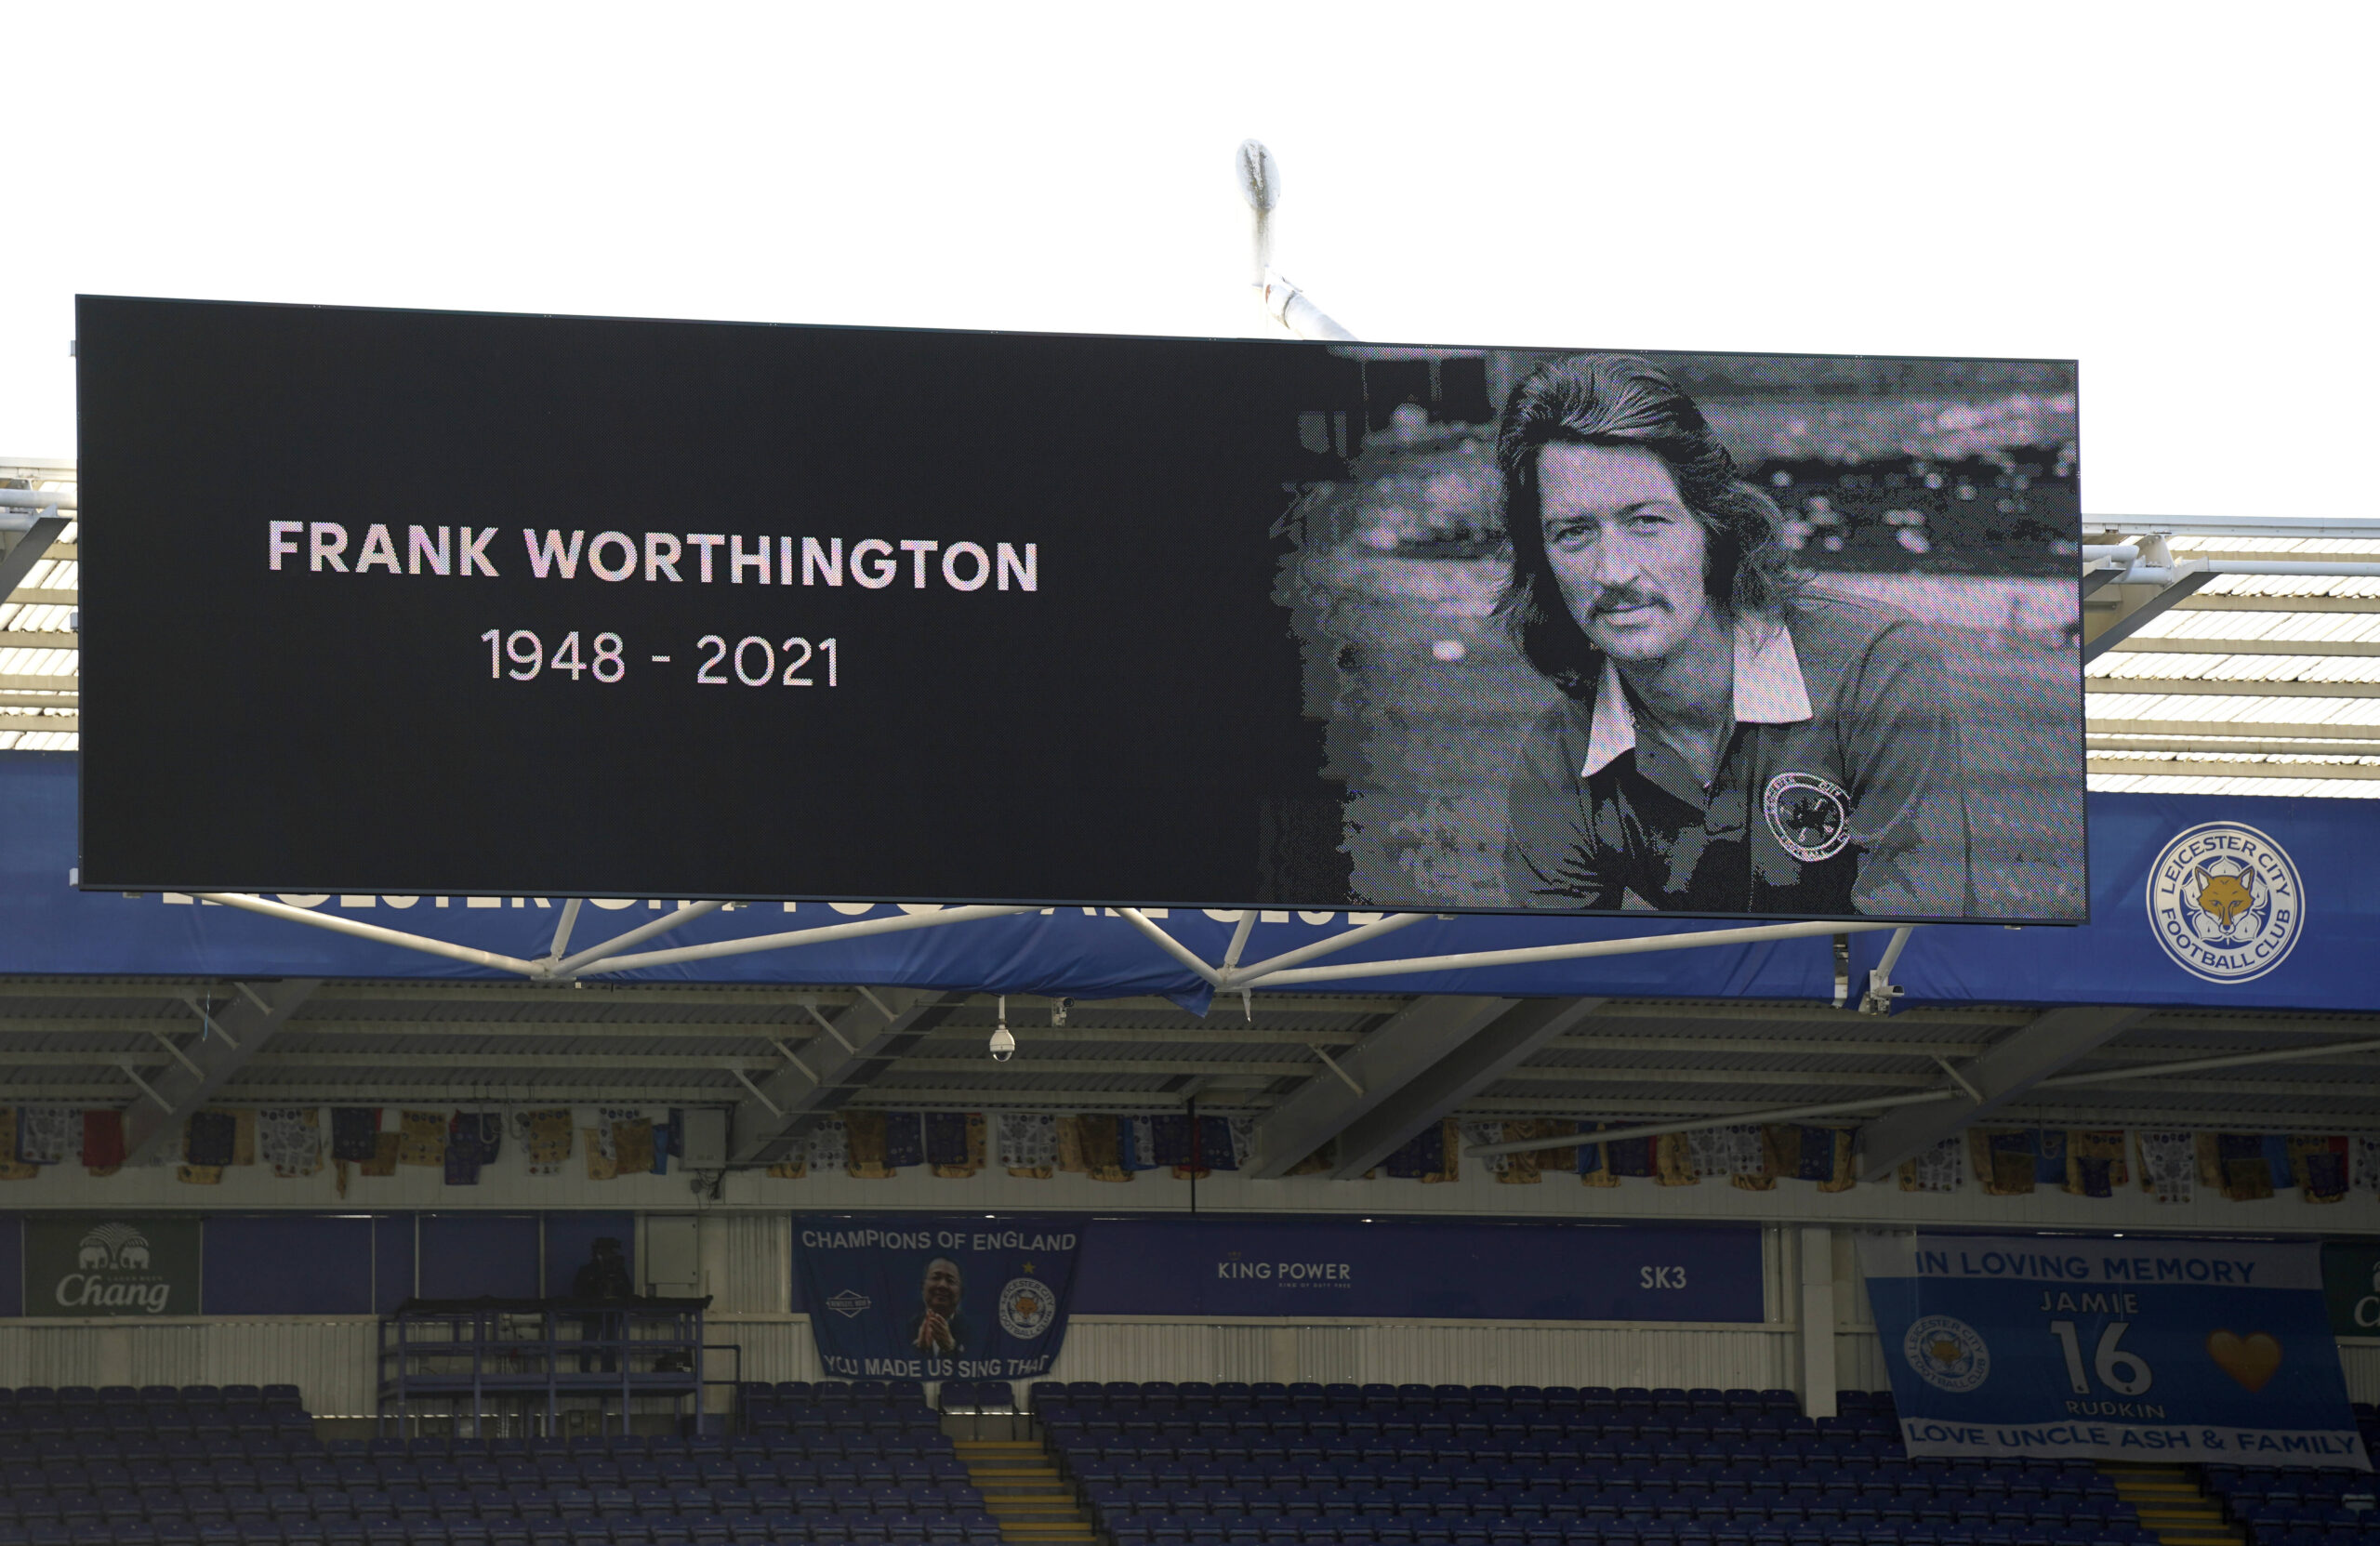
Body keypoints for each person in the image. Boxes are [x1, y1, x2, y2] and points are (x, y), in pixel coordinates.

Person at [1497, 352, 1971, 916]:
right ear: (1542, 560)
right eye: (1573, 533)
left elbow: (1912, 946)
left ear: (1712, 527)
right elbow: (1555, 973)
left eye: (1647, 522)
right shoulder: (1560, 753)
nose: (1613, 571)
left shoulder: (1878, 671)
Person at [572, 1236, 635, 1373]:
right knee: (588, 1345)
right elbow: (579, 1292)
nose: (611, 1255)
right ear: (600, 1252)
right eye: (609, 1252)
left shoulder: (619, 1272)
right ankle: (585, 1372)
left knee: (610, 1346)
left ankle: (608, 1372)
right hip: (593, 1315)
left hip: (611, 1316)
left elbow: (628, 1291)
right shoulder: (588, 1271)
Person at [906, 1257, 971, 1355]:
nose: (942, 1285)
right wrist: (919, 1349)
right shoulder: (908, 1328)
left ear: (961, 1292)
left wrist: (952, 1348)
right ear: (922, 1287)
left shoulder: (973, 1332)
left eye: (950, 1280)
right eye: (936, 1278)